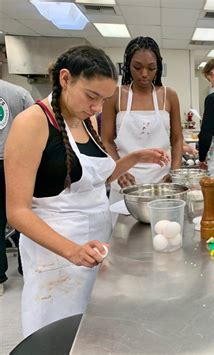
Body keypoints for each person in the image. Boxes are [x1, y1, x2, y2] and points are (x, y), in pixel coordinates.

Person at [5, 45, 169, 337]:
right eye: (92, 96)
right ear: (65, 79)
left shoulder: (86, 120)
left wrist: (133, 158)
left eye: (103, 100)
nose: (96, 108)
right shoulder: (32, 123)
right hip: (56, 256)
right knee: (59, 333)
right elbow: (17, 212)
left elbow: (95, 180)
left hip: (94, 248)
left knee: (93, 333)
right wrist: (71, 250)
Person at [102, 36, 183, 203]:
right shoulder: (115, 96)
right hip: (125, 182)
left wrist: (174, 173)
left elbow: (177, 139)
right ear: (127, 66)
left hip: (162, 181)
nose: (144, 74)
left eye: (151, 68)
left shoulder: (169, 96)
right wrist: (118, 171)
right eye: (137, 67)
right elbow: (107, 140)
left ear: (158, 67)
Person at [0, 80, 34, 295]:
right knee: (23, 217)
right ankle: (26, 268)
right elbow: (38, 125)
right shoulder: (18, 93)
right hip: (19, 162)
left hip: (15, 160)